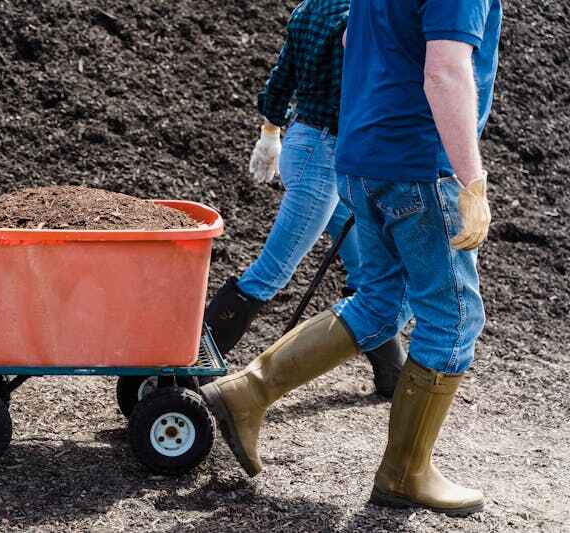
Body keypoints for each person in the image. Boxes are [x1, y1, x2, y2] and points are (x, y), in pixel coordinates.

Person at [201, 0, 502, 517]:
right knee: (452, 319)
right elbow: (445, 70)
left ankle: (247, 392)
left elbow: (350, 42)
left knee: (380, 300)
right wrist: (471, 181)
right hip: (420, 166)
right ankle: (405, 475)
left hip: (362, 156)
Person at [203, 0, 405, 398]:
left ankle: (392, 374)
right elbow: (359, 94)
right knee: (272, 271)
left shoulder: (310, 7)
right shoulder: (361, 17)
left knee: (366, 271)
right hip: (326, 157)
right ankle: (189, 366)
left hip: (305, 143)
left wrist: (270, 133)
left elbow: (281, 78)